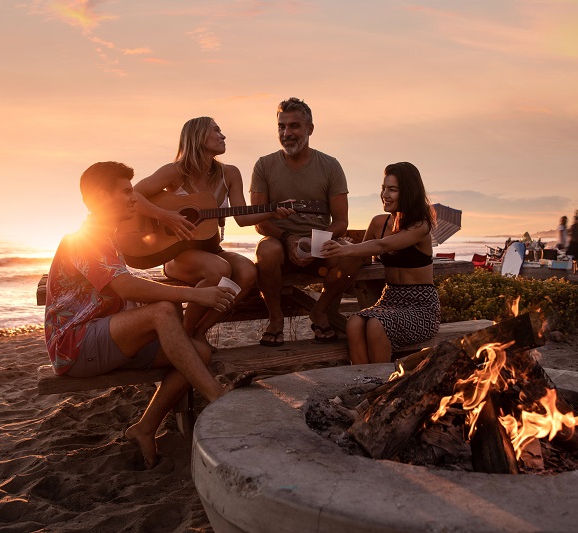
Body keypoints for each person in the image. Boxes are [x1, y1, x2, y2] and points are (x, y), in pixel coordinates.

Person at [44, 161, 250, 469]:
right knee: (164, 313)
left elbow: (123, 291)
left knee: (198, 352)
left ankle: (145, 427)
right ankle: (218, 398)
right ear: (102, 196)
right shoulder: (85, 239)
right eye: (126, 191)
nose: (133, 198)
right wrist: (195, 293)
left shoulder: (109, 237)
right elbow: (126, 287)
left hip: (109, 338)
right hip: (75, 345)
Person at [133, 117, 293, 350]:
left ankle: (199, 331)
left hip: (212, 249)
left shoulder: (230, 173)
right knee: (219, 269)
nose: (223, 135)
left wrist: (272, 212)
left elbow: (242, 217)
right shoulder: (174, 172)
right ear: (198, 137)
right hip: (178, 254)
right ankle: (185, 334)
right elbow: (133, 196)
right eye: (216, 130)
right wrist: (164, 215)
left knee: (248, 271)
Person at [250, 97, 362, 346]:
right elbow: (260, 222)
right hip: (280, 246)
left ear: (310, 129)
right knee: (265, 249)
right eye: (281, 127)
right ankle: (276, 318)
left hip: (319, 246)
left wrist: (315, 241)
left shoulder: (330, 166)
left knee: (351, 257)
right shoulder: (264, 165)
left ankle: (320, 310)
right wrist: (288, 239)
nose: (287, 133)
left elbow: (341, 221)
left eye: (294, 126)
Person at [321, 162, 440, 364]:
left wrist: (346, 249)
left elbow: (382, 245)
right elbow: (366, 256)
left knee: (377, 325)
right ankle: (362, 381)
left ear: (409, 192)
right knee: (354, 323)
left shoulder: (421, 225)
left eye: (392, 189)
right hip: (390, 299)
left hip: (421, 306)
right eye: (383, 188)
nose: (385, 194)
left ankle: (383, 385)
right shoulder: (379, 223)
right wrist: (345, 244)